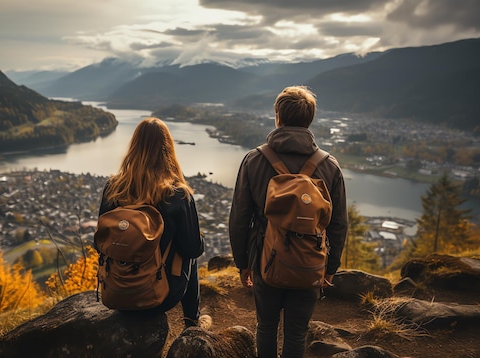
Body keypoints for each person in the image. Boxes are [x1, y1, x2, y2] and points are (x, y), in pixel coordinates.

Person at [229, 86, 348, 357]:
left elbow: (239, 218)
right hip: (310, 262)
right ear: (310, 119)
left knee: (266, 326)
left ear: (278, 117)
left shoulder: (254, 160)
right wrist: (331, 267)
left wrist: (243, 263)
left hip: (264, 258)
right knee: (297, 331)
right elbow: (338, 223)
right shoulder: (330, 165)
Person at [96, 116, 207, 329]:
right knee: (190, 255)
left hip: (115, 293)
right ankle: (192, 322)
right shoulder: (177, 194)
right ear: (168, 149)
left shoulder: (113, 188)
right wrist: (199, 239)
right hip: (160, 295)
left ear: (134, 147)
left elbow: (98, 244)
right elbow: (192, 249)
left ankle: (191, 322)